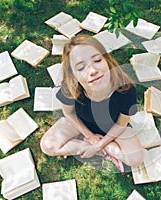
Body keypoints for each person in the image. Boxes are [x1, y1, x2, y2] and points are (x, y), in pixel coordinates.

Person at [40, 34, 144, 171]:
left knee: (136, 158)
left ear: (106, 59)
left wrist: (98, 145)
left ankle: (105, 147)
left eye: (97, 60)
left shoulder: (126, 89)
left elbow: (121, 123)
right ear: (73, 75)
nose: (93, 71)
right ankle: (83, 144)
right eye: (81, 68)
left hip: (113, 127)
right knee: (47, 145)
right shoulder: (70, 88)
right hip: (81, 123)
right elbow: (69, 114)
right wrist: (90, 136)